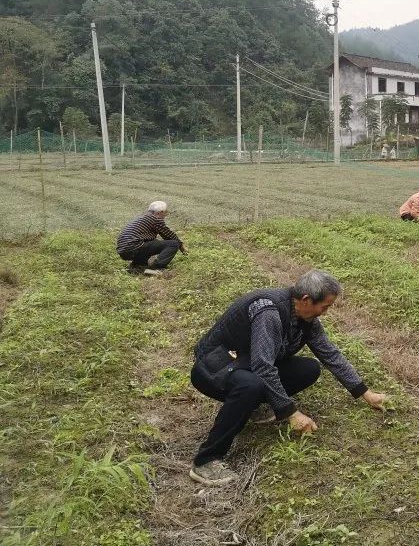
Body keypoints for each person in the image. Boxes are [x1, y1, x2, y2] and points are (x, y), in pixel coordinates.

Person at [188, 270, 386, 486]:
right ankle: (206, 460)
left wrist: (365, 393)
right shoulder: (269, 312)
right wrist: (290, 413)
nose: (326, 312)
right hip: (215, 367)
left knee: (309, 369)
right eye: (325, 306)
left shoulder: (305, 317)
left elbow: (329, 353)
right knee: (250, 385)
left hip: (245, 363)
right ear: (306, 300)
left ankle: (250, 406)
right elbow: (263, 367)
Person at [116, 200, 187, 276]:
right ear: (160, 212)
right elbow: (169, 235)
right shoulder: (155, 219)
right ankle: (156, 268)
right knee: (173, 243)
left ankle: (137, 266)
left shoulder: (142, 217)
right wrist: (181, 246)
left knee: (152, 242)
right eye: (165, 212)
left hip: (123, 251)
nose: (166, 215)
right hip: (134, 247)